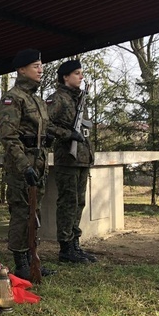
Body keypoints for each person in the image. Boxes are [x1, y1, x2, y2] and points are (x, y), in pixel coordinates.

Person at [0, 49, 58, 280]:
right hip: (21, 165)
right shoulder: (12, 98)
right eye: (35, 66)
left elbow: (44, 129)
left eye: (41, 66)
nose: (41, 70)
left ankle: (33, 259)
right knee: (22, 213)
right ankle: (21, 262)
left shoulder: (38, 101)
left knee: (35, 212)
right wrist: (25, 167)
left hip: (39, 162)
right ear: (21, 70)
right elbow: (9, 137)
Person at [46, 59, 98, 263]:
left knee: (79, 203)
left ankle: (75, 244)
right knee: (68, 203)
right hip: (67, 159)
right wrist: (67, 134)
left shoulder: (78, 99)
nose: (81, 76)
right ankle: (66, 248)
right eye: (77, 73)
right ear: (65, 77)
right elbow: (44, 125)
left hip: (82, 159)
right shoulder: (57, 99)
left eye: (81, 72)